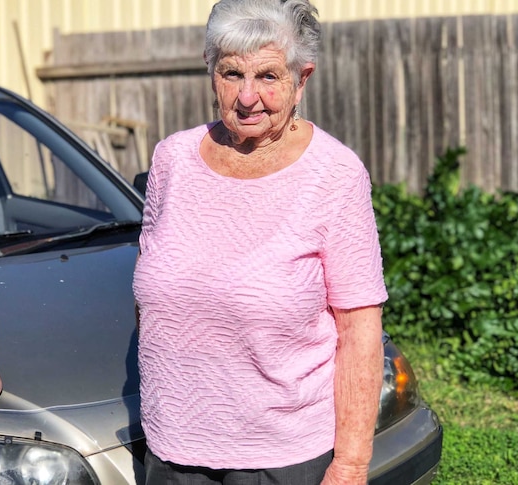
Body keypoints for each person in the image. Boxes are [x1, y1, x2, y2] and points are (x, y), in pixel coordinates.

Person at [132, 0, 388, 483]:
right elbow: (149, 296)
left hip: (282, 457)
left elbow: (359, 329)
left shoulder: (334, 174)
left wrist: (351, 465)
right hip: (170, 448)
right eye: (232, 74)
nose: (248, 96)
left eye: (268, 76)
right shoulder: (172, 160)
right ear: (211, 74)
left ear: (301, 80)